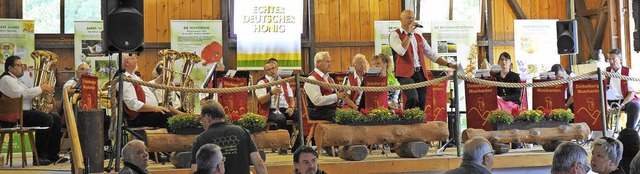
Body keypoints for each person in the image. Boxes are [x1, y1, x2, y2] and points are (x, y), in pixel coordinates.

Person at [0, 55, 64, 165]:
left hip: (24, 113)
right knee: (45, 119)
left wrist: (43, 101)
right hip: (15, 116)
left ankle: (53, 155)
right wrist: (41, 88)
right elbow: (21, 94)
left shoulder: (18, 81)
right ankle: (40, 156)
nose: (22, 68)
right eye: (18, 65)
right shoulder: (6, 79)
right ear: (10, 68)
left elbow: (27, 95)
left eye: (22, 65)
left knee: (56, 117)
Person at [389, 10, 457, 110]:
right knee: (413, 98)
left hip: (420, 72)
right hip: (404, 74)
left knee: (421, 101)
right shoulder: (395, 34)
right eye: (408, 18)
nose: (411, 20)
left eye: (413, 18)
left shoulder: (418, 37)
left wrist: (448, 64)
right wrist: (410, 33)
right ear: (401, 19)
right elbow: (401, 51)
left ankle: (418, 123)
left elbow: (432, 54)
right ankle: (406, 121)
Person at [190, 100, 267, 174]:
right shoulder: (242, 132)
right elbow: (259, 163)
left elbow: (194, 170)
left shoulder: (200, 139)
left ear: (208, 117)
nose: (202, 122)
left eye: (201, 119)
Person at [119, 53, 181, 128]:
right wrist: (155, 108)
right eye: (134, 58)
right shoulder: (125, 79)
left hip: (147, 113)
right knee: (173, 118)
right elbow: (133, 104)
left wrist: (161, 78)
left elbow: (147, 89)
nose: (136, 60)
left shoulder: (133, 76)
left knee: (172, 116)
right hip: (139, 117)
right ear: (127, 63)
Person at [304, 51, 346, 121]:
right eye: (327, 61)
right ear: (318, 63)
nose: (330, 64)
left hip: (330, 110)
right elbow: (317, 101)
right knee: (345, 117)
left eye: (330, 61)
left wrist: (340, 97)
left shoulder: (330, 79)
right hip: (318, 112)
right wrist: (336, 96)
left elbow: (334, 99)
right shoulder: (312, 79)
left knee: (350, 114)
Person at [605, 48, 640, 130]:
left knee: (635, 106)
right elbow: (602, 92)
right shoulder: (605, 72)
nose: (611, 62)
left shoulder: (628, 72)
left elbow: (631, 94)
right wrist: (606, 105)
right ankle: (603, 131)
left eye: (614, 59)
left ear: (620, 60)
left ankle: (629, 131)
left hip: (625, 100)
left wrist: (622, 105)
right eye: (609, 59)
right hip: (610, 101)